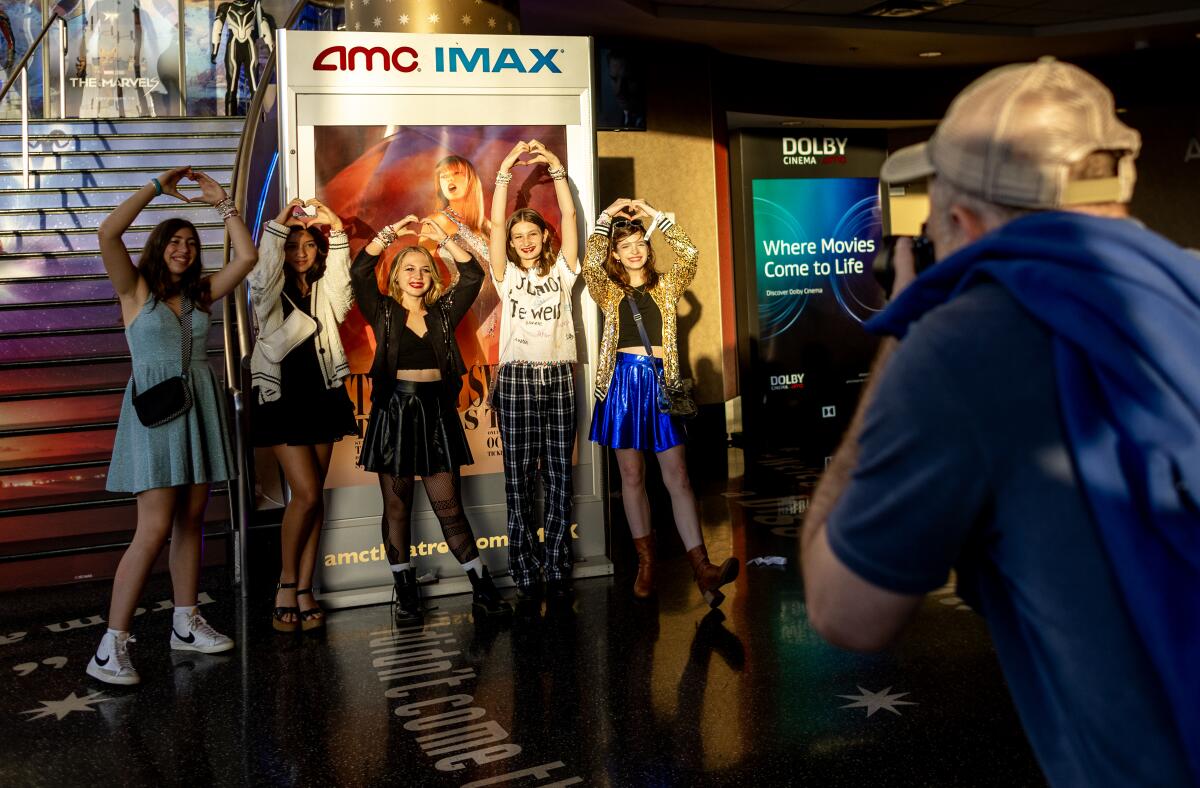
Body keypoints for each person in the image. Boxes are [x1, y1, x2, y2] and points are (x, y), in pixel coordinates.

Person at [801, 58, 1200, 787]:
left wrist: (904, 331)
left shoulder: (968, 344)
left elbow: (844, 612)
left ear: (960, 221)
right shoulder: (1188, 285)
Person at [87, 166, 258, 685]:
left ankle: (186, 621)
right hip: (157, 415)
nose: (183, 249)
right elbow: (107, 233)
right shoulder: (135, 289)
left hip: (197, 407)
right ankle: (109, 645)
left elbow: (248, 257)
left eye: (189, 241)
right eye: (173, 241)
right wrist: (157, 188)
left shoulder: (202, 293)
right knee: (155, 527)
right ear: (159, 247)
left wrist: (224, 206)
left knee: (191, 519)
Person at [352, 214, 511, 622]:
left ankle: (482, 588)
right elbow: (361, 270)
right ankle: (404, 591)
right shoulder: (382, 311)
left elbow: (473, 276)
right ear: (396, 277)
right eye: (409, 268)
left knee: (450, 507)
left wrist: (445, 237)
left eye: (425, 269)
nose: (418, 275)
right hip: (394, 415)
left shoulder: (442, 314)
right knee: (397, 508)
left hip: (436, 414)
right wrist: (391, 232)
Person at [583, 198, 739, 607]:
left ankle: (703, 568)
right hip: (620, 383)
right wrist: (605, 219)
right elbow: (588, 263)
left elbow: (690, 253)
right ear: (615, 254)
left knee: (679, 477)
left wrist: (653, 215)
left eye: (640, 243)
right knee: (632, 477)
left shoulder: (667, 286)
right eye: (625, 246)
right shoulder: (608, 290)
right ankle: (646, 564)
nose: (634, 250)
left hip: (661, 384)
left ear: (648, 248)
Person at [248, 197, 356, 633]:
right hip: (281, 396)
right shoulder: (273, 292)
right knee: (307, 494)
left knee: (315, 499)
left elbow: (344, 295)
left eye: (308, 244)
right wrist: (277, 226)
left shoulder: (325, 287)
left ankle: (305, 587)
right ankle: (285, 583)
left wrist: (337, 228)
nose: (300, 252)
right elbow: (259, 280)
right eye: (293, 245)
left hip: (324, 393)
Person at [487, 140, 580, 604]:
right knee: (518, 476)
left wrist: (557, 171)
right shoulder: (504, 275)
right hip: (518, 378)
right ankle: (524, 564)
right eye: (517, 236)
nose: (525, 241)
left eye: (532, 234)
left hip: (560, 375)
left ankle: (558, 559)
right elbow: (494, 229)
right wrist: (505, 171)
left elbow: (572, 219)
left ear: (544, 237)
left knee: (561, 474)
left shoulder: (563, 272)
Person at [429, 154, 497, 370]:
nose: (450, 180)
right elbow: (423, 269)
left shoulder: (487, 225)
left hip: (494, 314)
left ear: (471, 179)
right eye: (444, 176)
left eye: (457, 173)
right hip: (460, 315)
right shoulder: (438, 221)